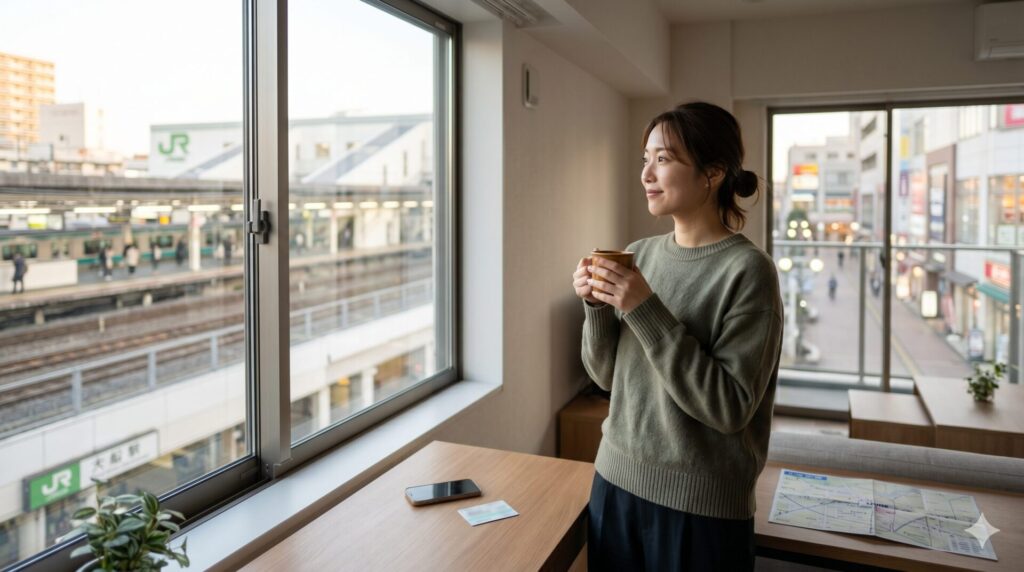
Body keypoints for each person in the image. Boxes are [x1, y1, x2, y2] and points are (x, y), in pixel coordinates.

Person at [572, 102, 783, 571]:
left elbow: (728, 408)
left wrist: (643, 308)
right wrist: (596, 307)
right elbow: (606, 377)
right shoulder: (638, 254)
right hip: (615, 480)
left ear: (713, 173)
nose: (647, 173)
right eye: (645, 158)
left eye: (663, 159)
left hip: (701, 508)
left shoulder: (748, 271)